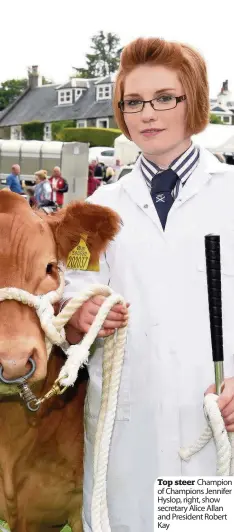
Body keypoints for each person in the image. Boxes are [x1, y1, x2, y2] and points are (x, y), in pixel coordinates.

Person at [61, 37, 234, 532]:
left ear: (195, 100)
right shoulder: (92, 212)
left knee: (197, 527)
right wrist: (80, 316)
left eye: (164, 97)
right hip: (125, 431)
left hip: (208, 423)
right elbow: (74, 294)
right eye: (133, 102)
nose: (147, 113)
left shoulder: (230, 197)